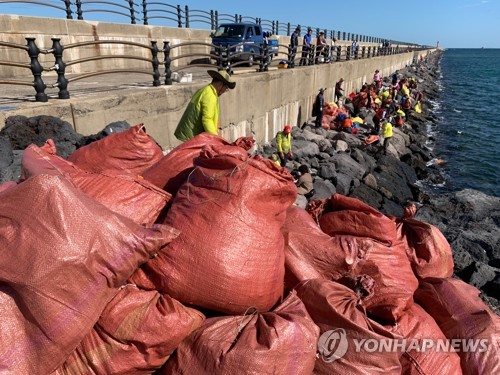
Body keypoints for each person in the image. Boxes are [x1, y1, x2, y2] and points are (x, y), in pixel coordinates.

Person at [174, 69, 236, 142]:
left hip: (189, 133)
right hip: (191, 136)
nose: (225, 91)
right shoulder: (210, 95)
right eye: (226, 88)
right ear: (220, 84)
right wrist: (216, 139)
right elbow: (207, 119)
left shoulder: (206, 90)